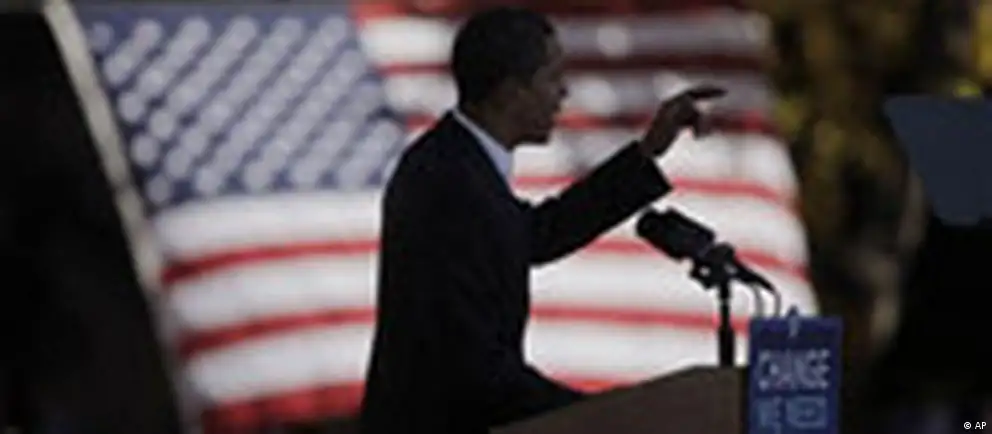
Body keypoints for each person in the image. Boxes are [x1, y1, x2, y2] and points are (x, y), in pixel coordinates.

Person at [359, 7, 725, 434]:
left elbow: (538, 234)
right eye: (552, 77)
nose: (563, 92)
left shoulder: (461, 166)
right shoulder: (448, 181)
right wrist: (606, 414)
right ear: (511, 91)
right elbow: (475, 370)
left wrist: (648, 151)